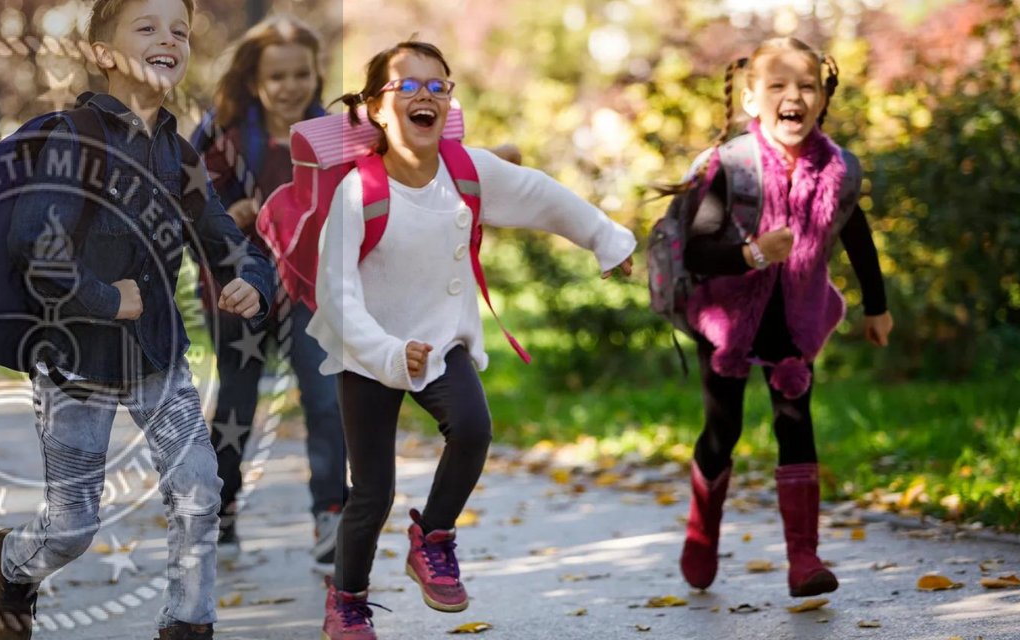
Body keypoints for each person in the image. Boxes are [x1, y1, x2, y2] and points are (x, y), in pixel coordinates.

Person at [308, 40, 636, 639]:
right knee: (372, 493)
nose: (426, 95)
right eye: (408, 85)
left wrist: (606, 240)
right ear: (376, 108)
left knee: (474, 428)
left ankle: (432, 537)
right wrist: (387, 352)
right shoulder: (358, 193)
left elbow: (542, 196)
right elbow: (337, 295)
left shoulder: (468, 172)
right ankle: (347, 600)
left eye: (439, 85)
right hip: (368, 351)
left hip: (440, 342)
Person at [0, 1, 275, 639]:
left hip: (158, 357)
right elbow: (35, 243)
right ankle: (13, 563)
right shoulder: (74, 139)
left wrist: (251, 280)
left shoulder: (180, 154)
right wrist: (104, 299)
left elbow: (227, 241)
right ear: (102, 53)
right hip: (75, 361)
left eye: (179, 31)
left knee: (200, 487)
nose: (168, 39)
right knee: (72, 527)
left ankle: (189, 625)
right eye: (147, 27)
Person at [674, 37, 894, 598]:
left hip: (796, 314)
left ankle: (804, 558)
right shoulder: (733, 165)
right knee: (724, 429)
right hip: (726, 316)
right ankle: (702, 531)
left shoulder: (837, 168)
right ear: (752, 100)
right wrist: (751, 254)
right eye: (777, 86)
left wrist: (877, 306)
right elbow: (696, 250)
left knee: (795, 423)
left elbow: (856, 233)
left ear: (823, 98)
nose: (793, 97)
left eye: (807, 86)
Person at [189, 15, 348, 567]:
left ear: (317, 74)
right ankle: (222, 509)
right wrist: (232, 215)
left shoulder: (333, 134)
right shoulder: (225, 136)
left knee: (325, 398)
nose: (290, 86)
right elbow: (192, 210)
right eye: (277, 76)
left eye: (301, 74)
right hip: (240, 288)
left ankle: (331, 513)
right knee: (237, 402)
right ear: (255, 79)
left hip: (310, 289)